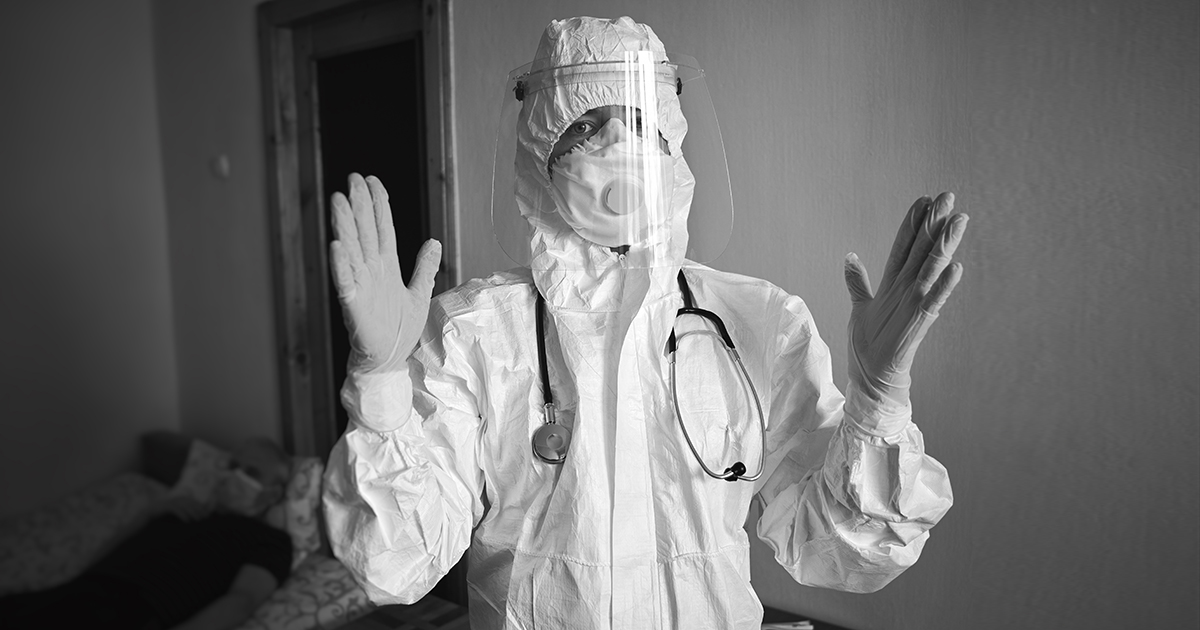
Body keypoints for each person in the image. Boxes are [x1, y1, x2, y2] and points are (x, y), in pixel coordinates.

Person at [322, 16, 968, 629]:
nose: (617, 143)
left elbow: (839, 553)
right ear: (537, 152)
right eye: (583, 126)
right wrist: (381, 388)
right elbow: (394, 565)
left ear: (673, 148)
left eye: (639, 121)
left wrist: (877, 407)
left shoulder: (758, 322)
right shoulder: (472, 333)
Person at [0, 438, 294, 630]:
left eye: (251, 472)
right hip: (77, 591)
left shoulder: (268, 539)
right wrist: (149, 514)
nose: (234, 475)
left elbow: (241, 602)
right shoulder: (179, 510)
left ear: (273, 494)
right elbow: (98, 560)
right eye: (232, 466)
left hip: (130, 611)